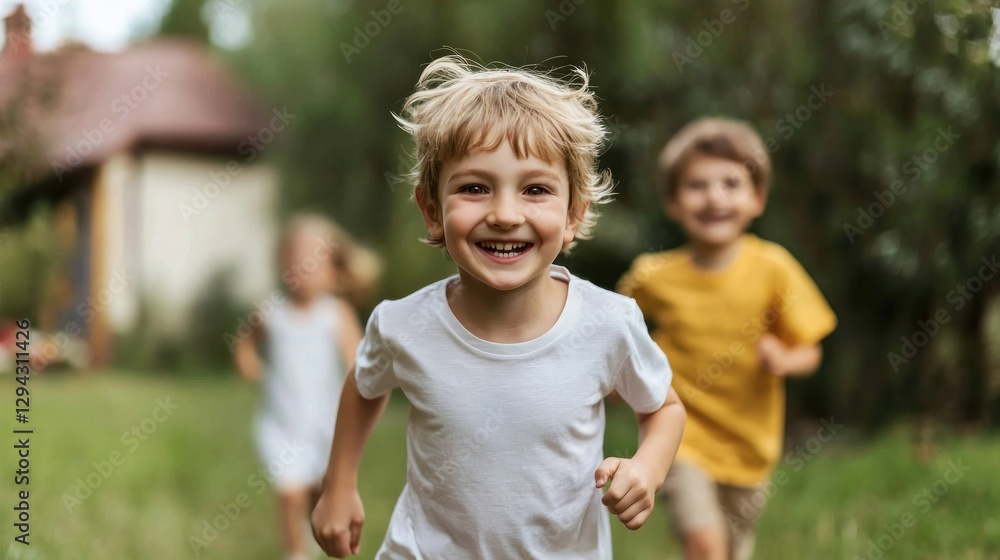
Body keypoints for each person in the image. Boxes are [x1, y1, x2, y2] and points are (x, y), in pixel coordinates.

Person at [310, 54, 686, 559]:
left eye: (535, 189)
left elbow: (663, 406)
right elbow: (364, 384)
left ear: (573, 214)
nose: (505, 214)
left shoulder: (607, 324)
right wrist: (338, 485)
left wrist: (648, 468)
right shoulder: (402, 326)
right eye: (474, 188)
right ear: (432, 210)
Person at [617, 118, 837, 560]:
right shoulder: (653, 277)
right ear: (674, 203)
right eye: (697, 185)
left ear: (757, 198)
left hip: (750, 446)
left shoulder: (774, 268)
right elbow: (609, 332)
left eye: (731, 183)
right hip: (680, 433)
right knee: (704, 544)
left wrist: (785, 357)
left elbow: (811, 352)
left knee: (733, 550)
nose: (715, 196)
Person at [234, 214, 380, 560]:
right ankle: (295, 552)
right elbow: (245, 341)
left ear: (333, 270)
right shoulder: (272, 311)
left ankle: (316, 543)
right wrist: (249, 362)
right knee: (289, 491)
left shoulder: (336, 313)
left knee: (320, 494)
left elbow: (358, 360)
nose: (303, 267)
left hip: (325, 426)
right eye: (296, 259)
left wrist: (359, 380)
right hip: (280, 425)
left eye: (314, 261)